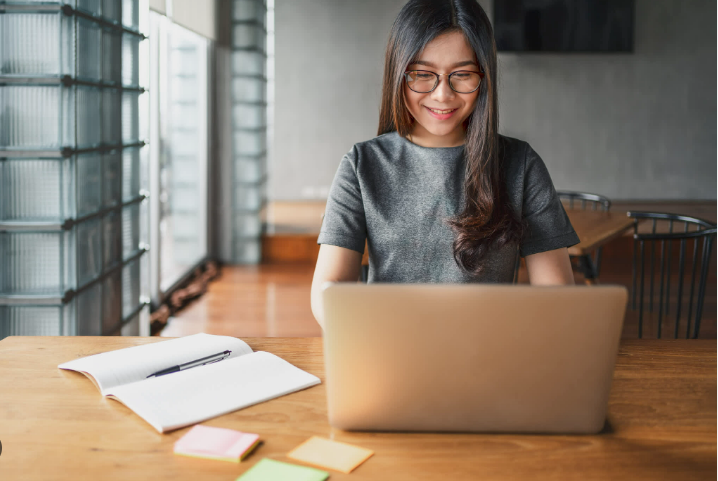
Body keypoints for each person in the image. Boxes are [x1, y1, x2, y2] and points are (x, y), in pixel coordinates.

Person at [311, 0, 579, 327]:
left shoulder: (520, 164)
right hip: (390, 350)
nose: (442, 94)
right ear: (399, 72)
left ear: (484, 76)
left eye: (462, 75)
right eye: (423, 75)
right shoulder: (361, 165)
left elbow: (558, 295)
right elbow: (330, 287)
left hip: (489, 356)